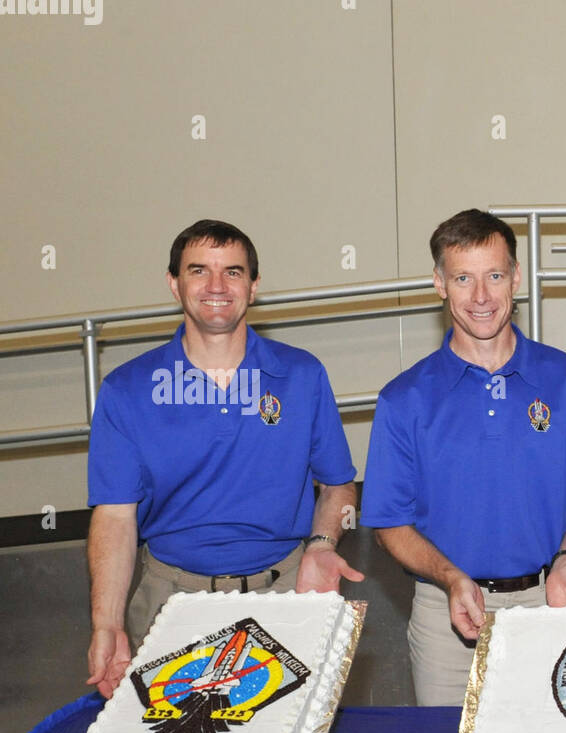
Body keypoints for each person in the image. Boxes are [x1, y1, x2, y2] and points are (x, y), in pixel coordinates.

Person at [86, 219, 362, 698]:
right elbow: (114, 515)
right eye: (199, 271)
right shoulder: (127, 390)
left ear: (254, 287)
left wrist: (320, 544)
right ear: (174, 284)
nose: (216, 286)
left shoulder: (300, 375)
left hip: (285, 594)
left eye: (233, 272)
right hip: (168, 603)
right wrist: (106, 623)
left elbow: (338, 485)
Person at [362, 208, 566, 706]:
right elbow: (390, 523)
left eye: (494, 276)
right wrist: (451, 576)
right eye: (463, 278)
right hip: (446, 614)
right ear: (440, 283)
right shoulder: (404, 399)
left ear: (516, 278)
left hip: (550, 604)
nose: (481, 297)